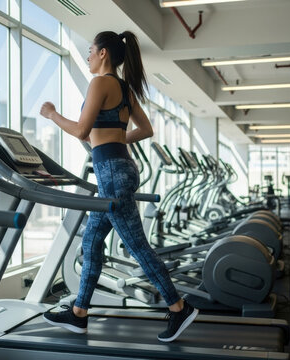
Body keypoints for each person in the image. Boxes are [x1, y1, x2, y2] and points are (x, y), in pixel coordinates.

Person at [39, 30, 197, 342]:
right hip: (120, 167)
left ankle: (179, 307)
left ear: (103, 54)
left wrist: (52, 114)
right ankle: (79, 313)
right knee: (91, 243)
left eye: (90, 50)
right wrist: (113, 139)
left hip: (111, 173)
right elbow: (146, 129)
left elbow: (82, 129)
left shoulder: (100, 82)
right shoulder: (124, 88)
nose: (86, 56)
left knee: (137, 245)